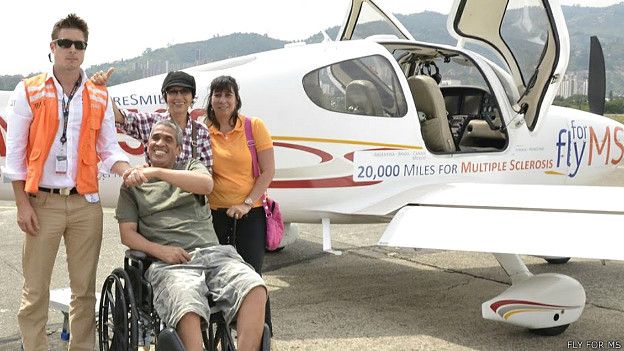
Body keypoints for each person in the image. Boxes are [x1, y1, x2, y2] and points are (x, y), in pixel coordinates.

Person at [3, 14, 133, 351]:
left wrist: (127, 170)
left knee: (84, 293)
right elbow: (15, 152)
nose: (72, 50)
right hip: (41, 204)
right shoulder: (28, 89)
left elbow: (108, 147)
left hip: (84, 204)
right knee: (35, 292)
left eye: (79, 45)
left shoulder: (99, 95)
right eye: (65, 43)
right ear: (53, 47)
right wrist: (22, 203)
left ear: (85, 51)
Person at [116, 120, 267, 351]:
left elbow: (206, 185)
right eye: (155, 138)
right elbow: (127, 235)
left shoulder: (191, 166)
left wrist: (156, 171)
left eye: (168, 140)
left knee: (254, 287)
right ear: (146, 145)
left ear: (178, 149)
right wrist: (161, 251)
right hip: (171, 265)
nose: (160, 143)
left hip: (216, 255)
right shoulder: (132, 185)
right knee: (187, 303)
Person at [205, 75, 275, 334]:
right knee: (218, 279)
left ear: (236, 99)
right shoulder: (203, 131)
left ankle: (259, 339)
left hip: (249, 215)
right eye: (217, 95)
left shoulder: (253, 127)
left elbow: (267, 172)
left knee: (252, 278)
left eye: (228, 95)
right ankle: (224, 337)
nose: (222, 100)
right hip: (213, 215)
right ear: (210, 100)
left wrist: (246, 203)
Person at [91, 69, 213, 170]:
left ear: (192, 97)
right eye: (173, 92)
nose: (178, 97)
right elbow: (119, 117)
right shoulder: (152, 122)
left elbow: (207, 172)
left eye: (184, 92)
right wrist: (102, 89)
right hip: (156, 195)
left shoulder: (201, 131)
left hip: (188, 197)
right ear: (165, 96)